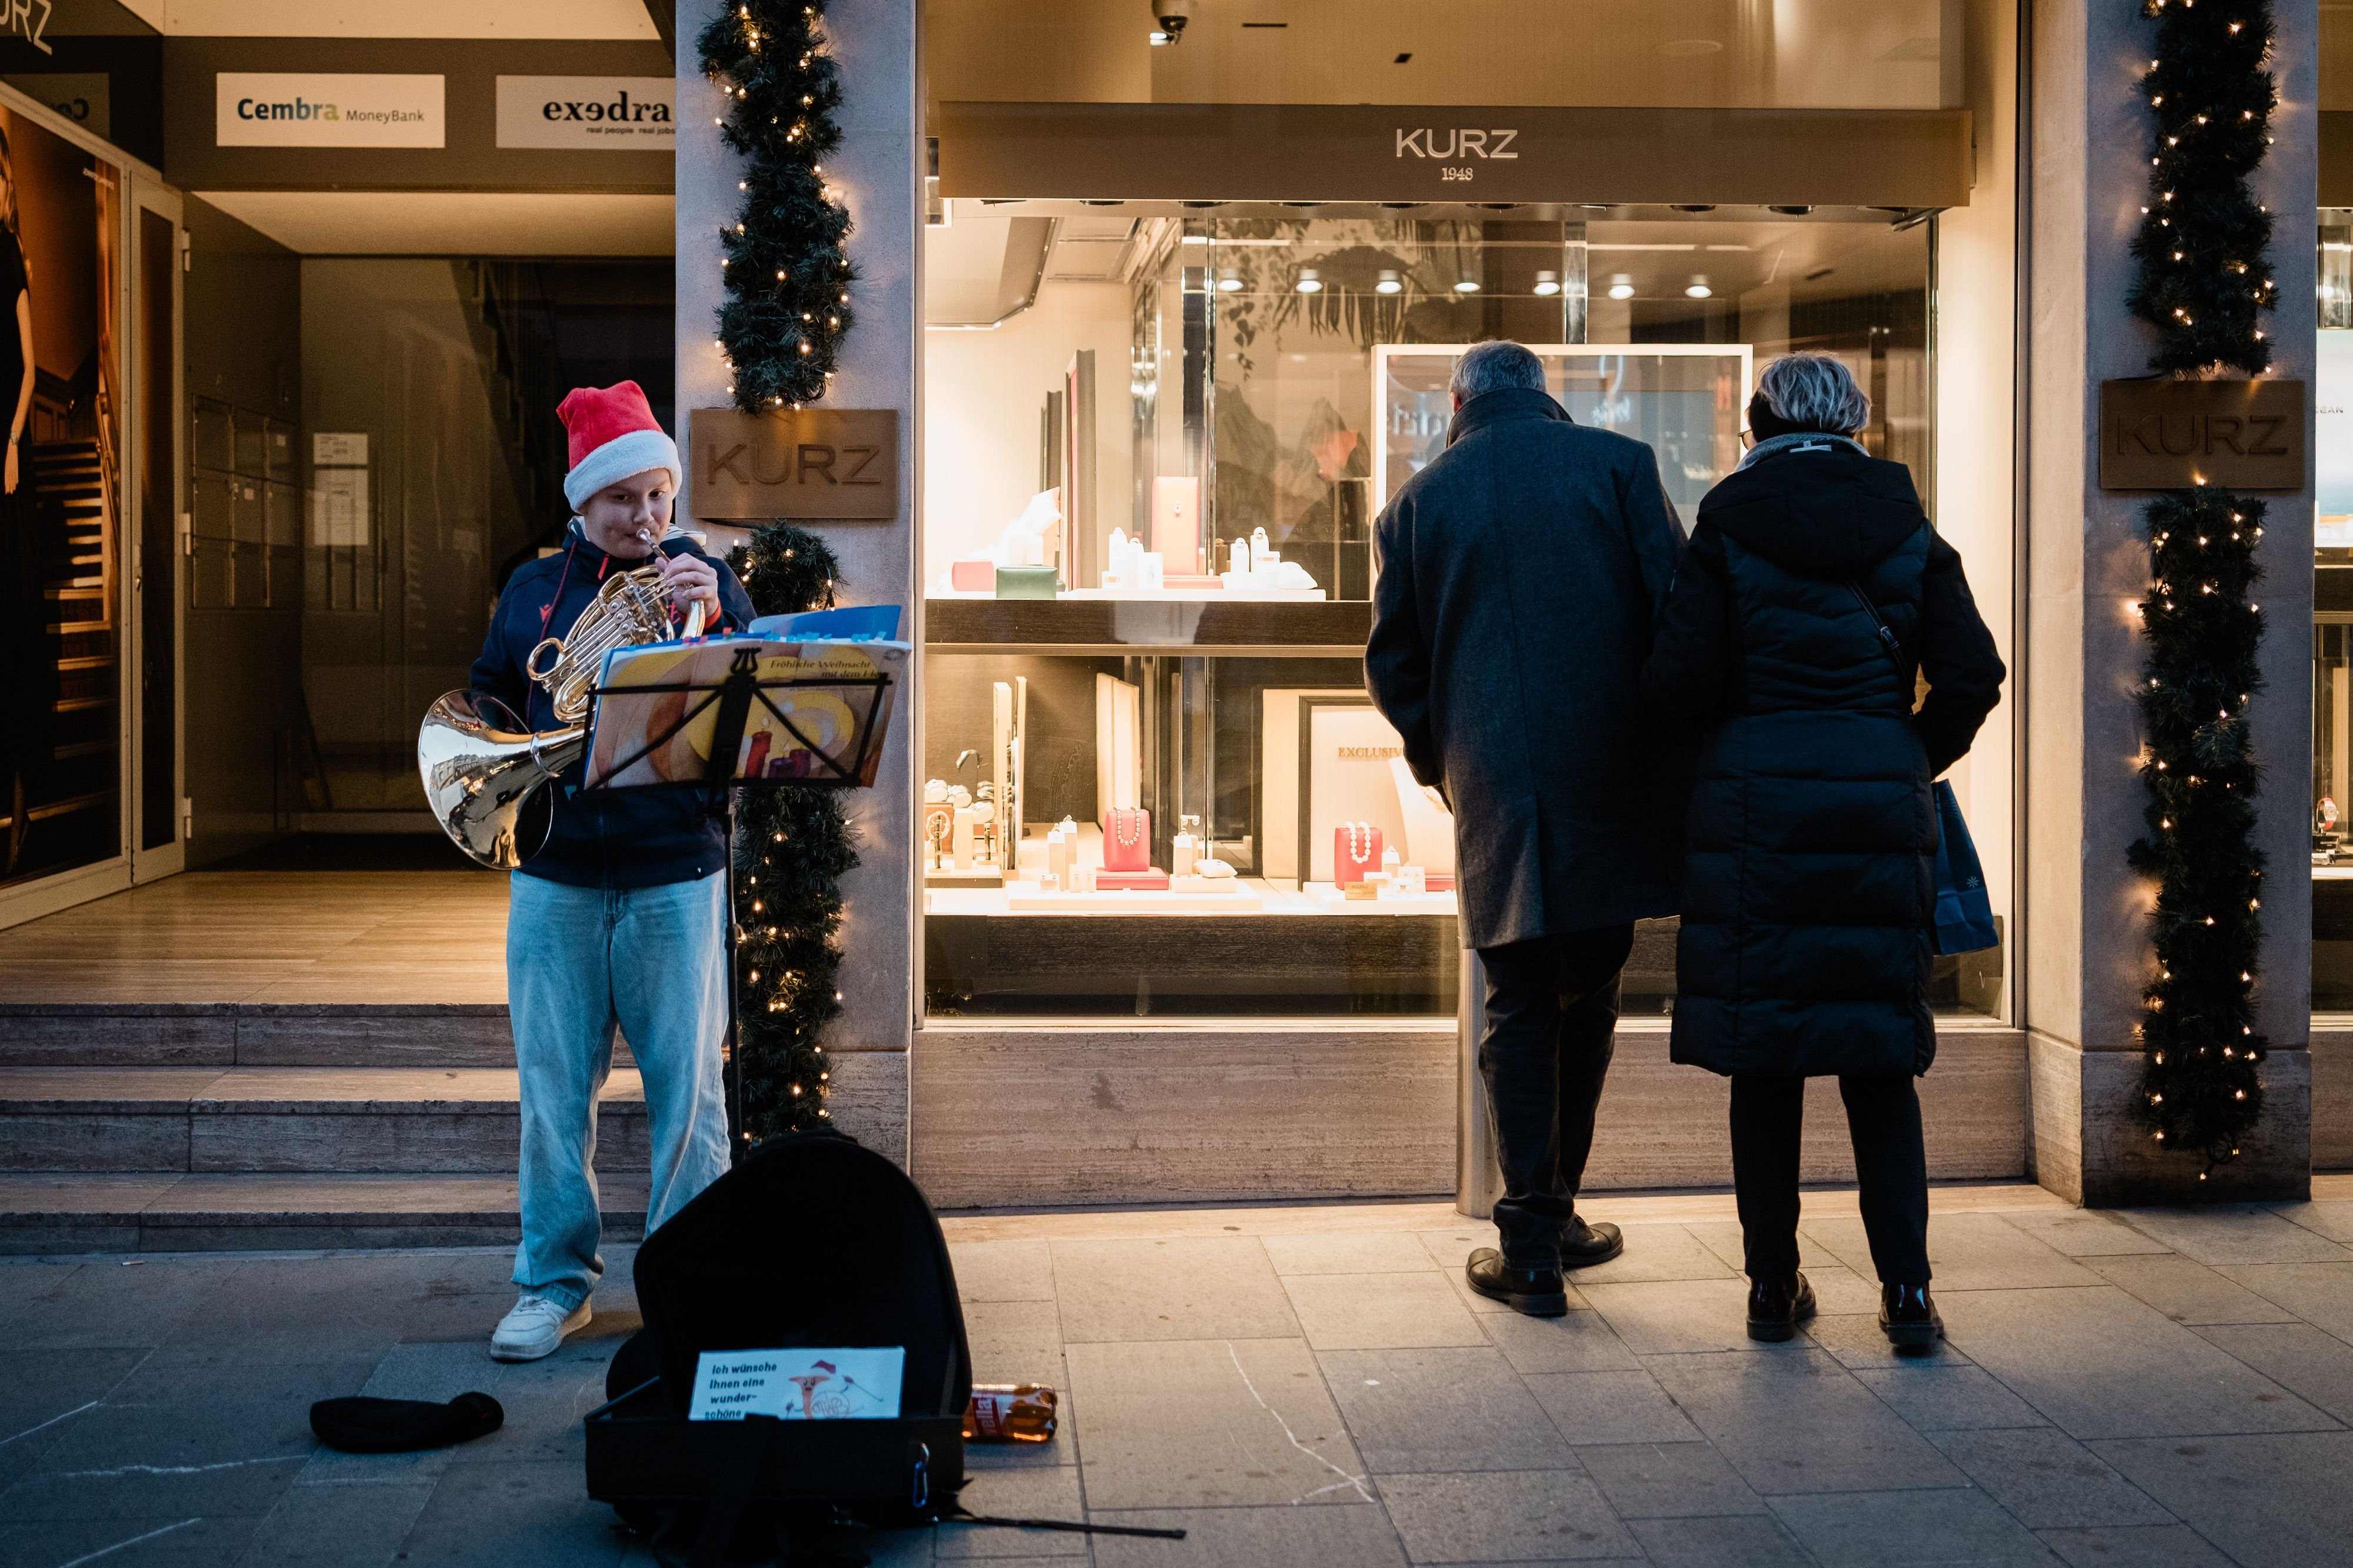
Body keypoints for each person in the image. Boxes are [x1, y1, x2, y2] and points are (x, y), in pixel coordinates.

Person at [1639, 352, 2004, 1348]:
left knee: (1768, 1058)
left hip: (1757, 813)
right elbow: (1975, 672)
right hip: (1880, 806)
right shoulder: (1908, 527)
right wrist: (1908, 750)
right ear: (1860, 422)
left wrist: (1736, 740)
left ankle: (1772, 1287)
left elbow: (1675, 682)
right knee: (1878, 1060)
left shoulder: (1725, 528)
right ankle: (1910, 1295)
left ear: (1754, 424)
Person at [1365, 339, 1688, 1317]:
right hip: (1613, 771)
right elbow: (1678, 612)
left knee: (1515, 995)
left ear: (1459, 399)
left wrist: (1449, 766)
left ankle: (1533, 1241)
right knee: (1591, 991)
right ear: (1544, 394)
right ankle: (1556, 1213)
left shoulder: (1415, 504)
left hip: (1499, 781)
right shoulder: (1620, 466)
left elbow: (1397, 670)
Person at [469, 380, 756, 1361]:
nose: (647, 520)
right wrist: (517, 741)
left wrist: (715, 618)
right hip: (554, 872)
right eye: (624, 500)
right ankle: (554, 1284)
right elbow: (488, 704)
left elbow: (750, 696)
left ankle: (695, 1287)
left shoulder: (707, 582)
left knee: (690, 1095)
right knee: (554, 1091)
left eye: (660, 497)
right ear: (581, 505)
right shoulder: (530, 594)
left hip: (675, 866)